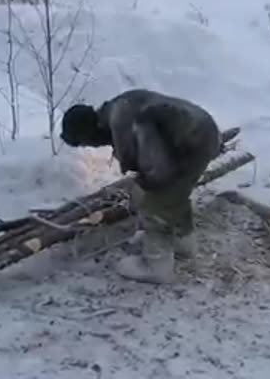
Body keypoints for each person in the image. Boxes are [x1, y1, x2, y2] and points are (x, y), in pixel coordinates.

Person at [60, 89, 221, 284]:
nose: (92, 147)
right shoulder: (119, 105)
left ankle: (157, 266)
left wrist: (149, 187)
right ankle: (183, 243)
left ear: (88, 131)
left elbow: (157, 168)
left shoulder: (121, 121)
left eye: (85, 143)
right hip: (201, 132)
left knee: (157, 202)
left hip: (192, 140)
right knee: (176, 194)